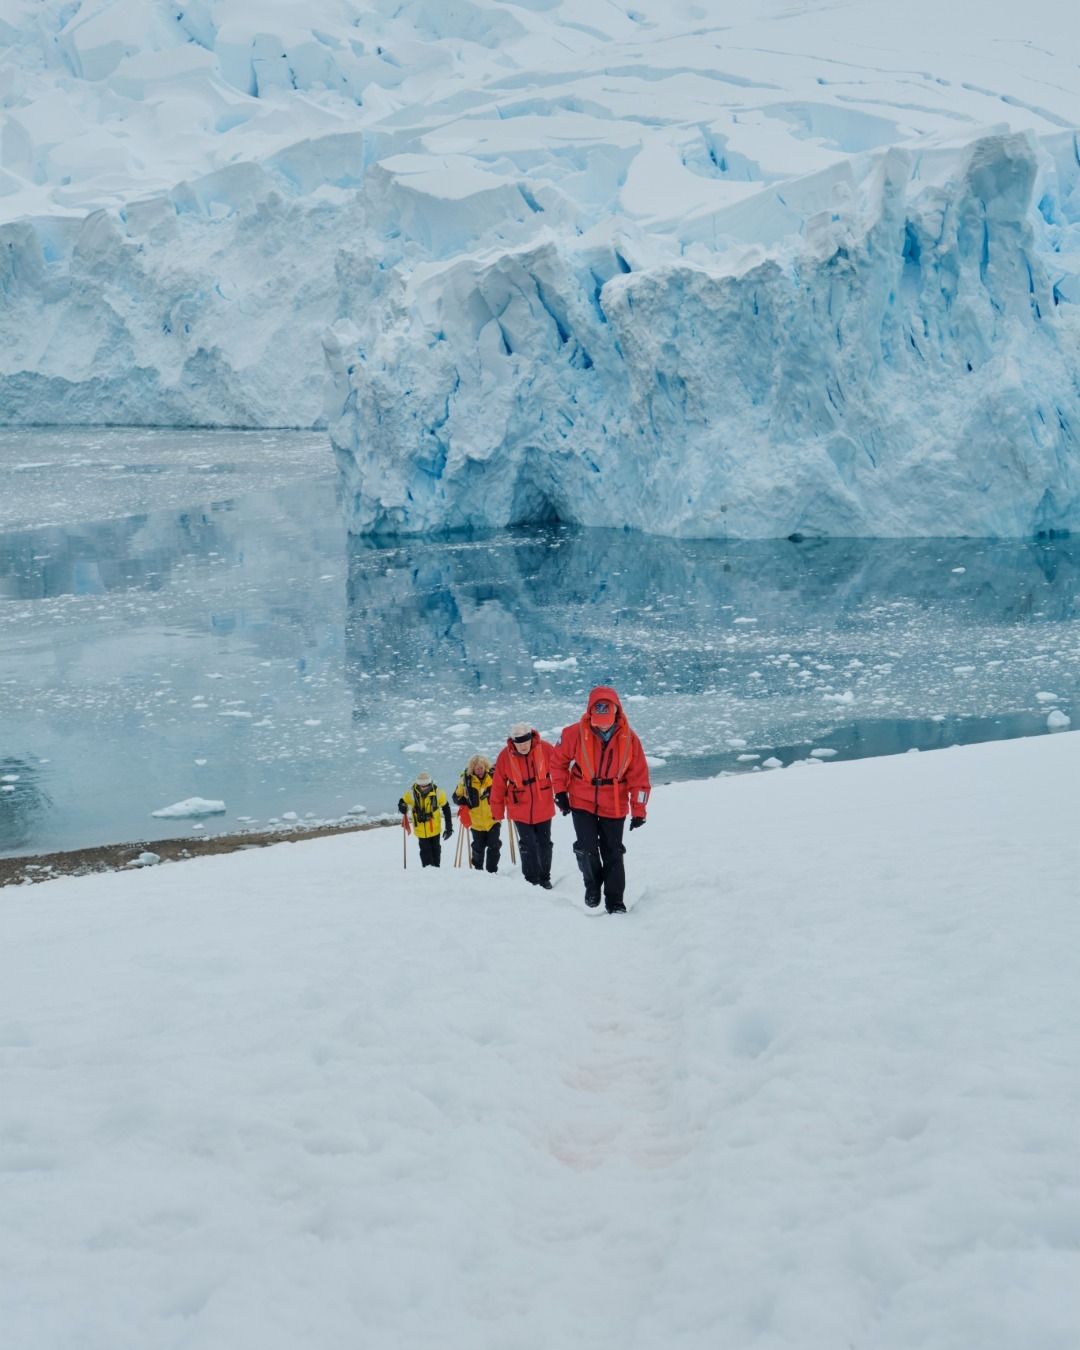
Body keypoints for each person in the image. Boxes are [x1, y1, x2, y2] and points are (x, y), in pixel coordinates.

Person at [550, 685, 650, 913]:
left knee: (613, 853)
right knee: (586, 848)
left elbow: (639, 778)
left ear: (617, 712)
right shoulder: (573, 734)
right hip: (581, 798)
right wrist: (560, 792)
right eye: (598, 720)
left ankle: (615, 902)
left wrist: (639, 810)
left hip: (614, 802)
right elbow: (557, 763)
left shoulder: (631, 740)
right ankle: (592, 885)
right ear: (590, 714)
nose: (603, 725)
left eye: (607, 720)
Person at [490, 721, 557, 888]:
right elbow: (498, 785)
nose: (523, 746)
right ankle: (531, 880)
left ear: (531, 738)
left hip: (543, 805)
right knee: (528, 845)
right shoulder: (505, 756)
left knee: (544, 844)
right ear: (513, 742)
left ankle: (545, 877)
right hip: (519, 808)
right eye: (519, 743)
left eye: (526, 742)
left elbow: (560, 770)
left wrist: (565, 796)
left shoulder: (546, 749)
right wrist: (497, 812)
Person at [452, 754, 501, 873]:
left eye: (481, 767)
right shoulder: (466, 781)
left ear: (485, 767)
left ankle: (492, 871)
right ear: (472, 769)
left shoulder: (493, 777)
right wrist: (463, 801)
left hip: (493, 820)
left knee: (494, 846)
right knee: (478, 848)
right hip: (476, 822)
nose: (479, 770)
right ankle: (478, 870)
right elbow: (455, 797)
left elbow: (503, 789)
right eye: (476, 768)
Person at [397, 771, 452, 868]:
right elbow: (402, 801)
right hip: (421, 831)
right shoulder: (411, 793)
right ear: (418, 784)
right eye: (421, 786)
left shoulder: (438, 793)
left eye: (426, 785)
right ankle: (428, 871)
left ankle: (436, 870)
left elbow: (446, 809)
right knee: (426, 854)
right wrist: (402, 806)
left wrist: (449, 828)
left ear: (430, 783)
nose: (423, 788)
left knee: (436, 852)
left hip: (435, 829)